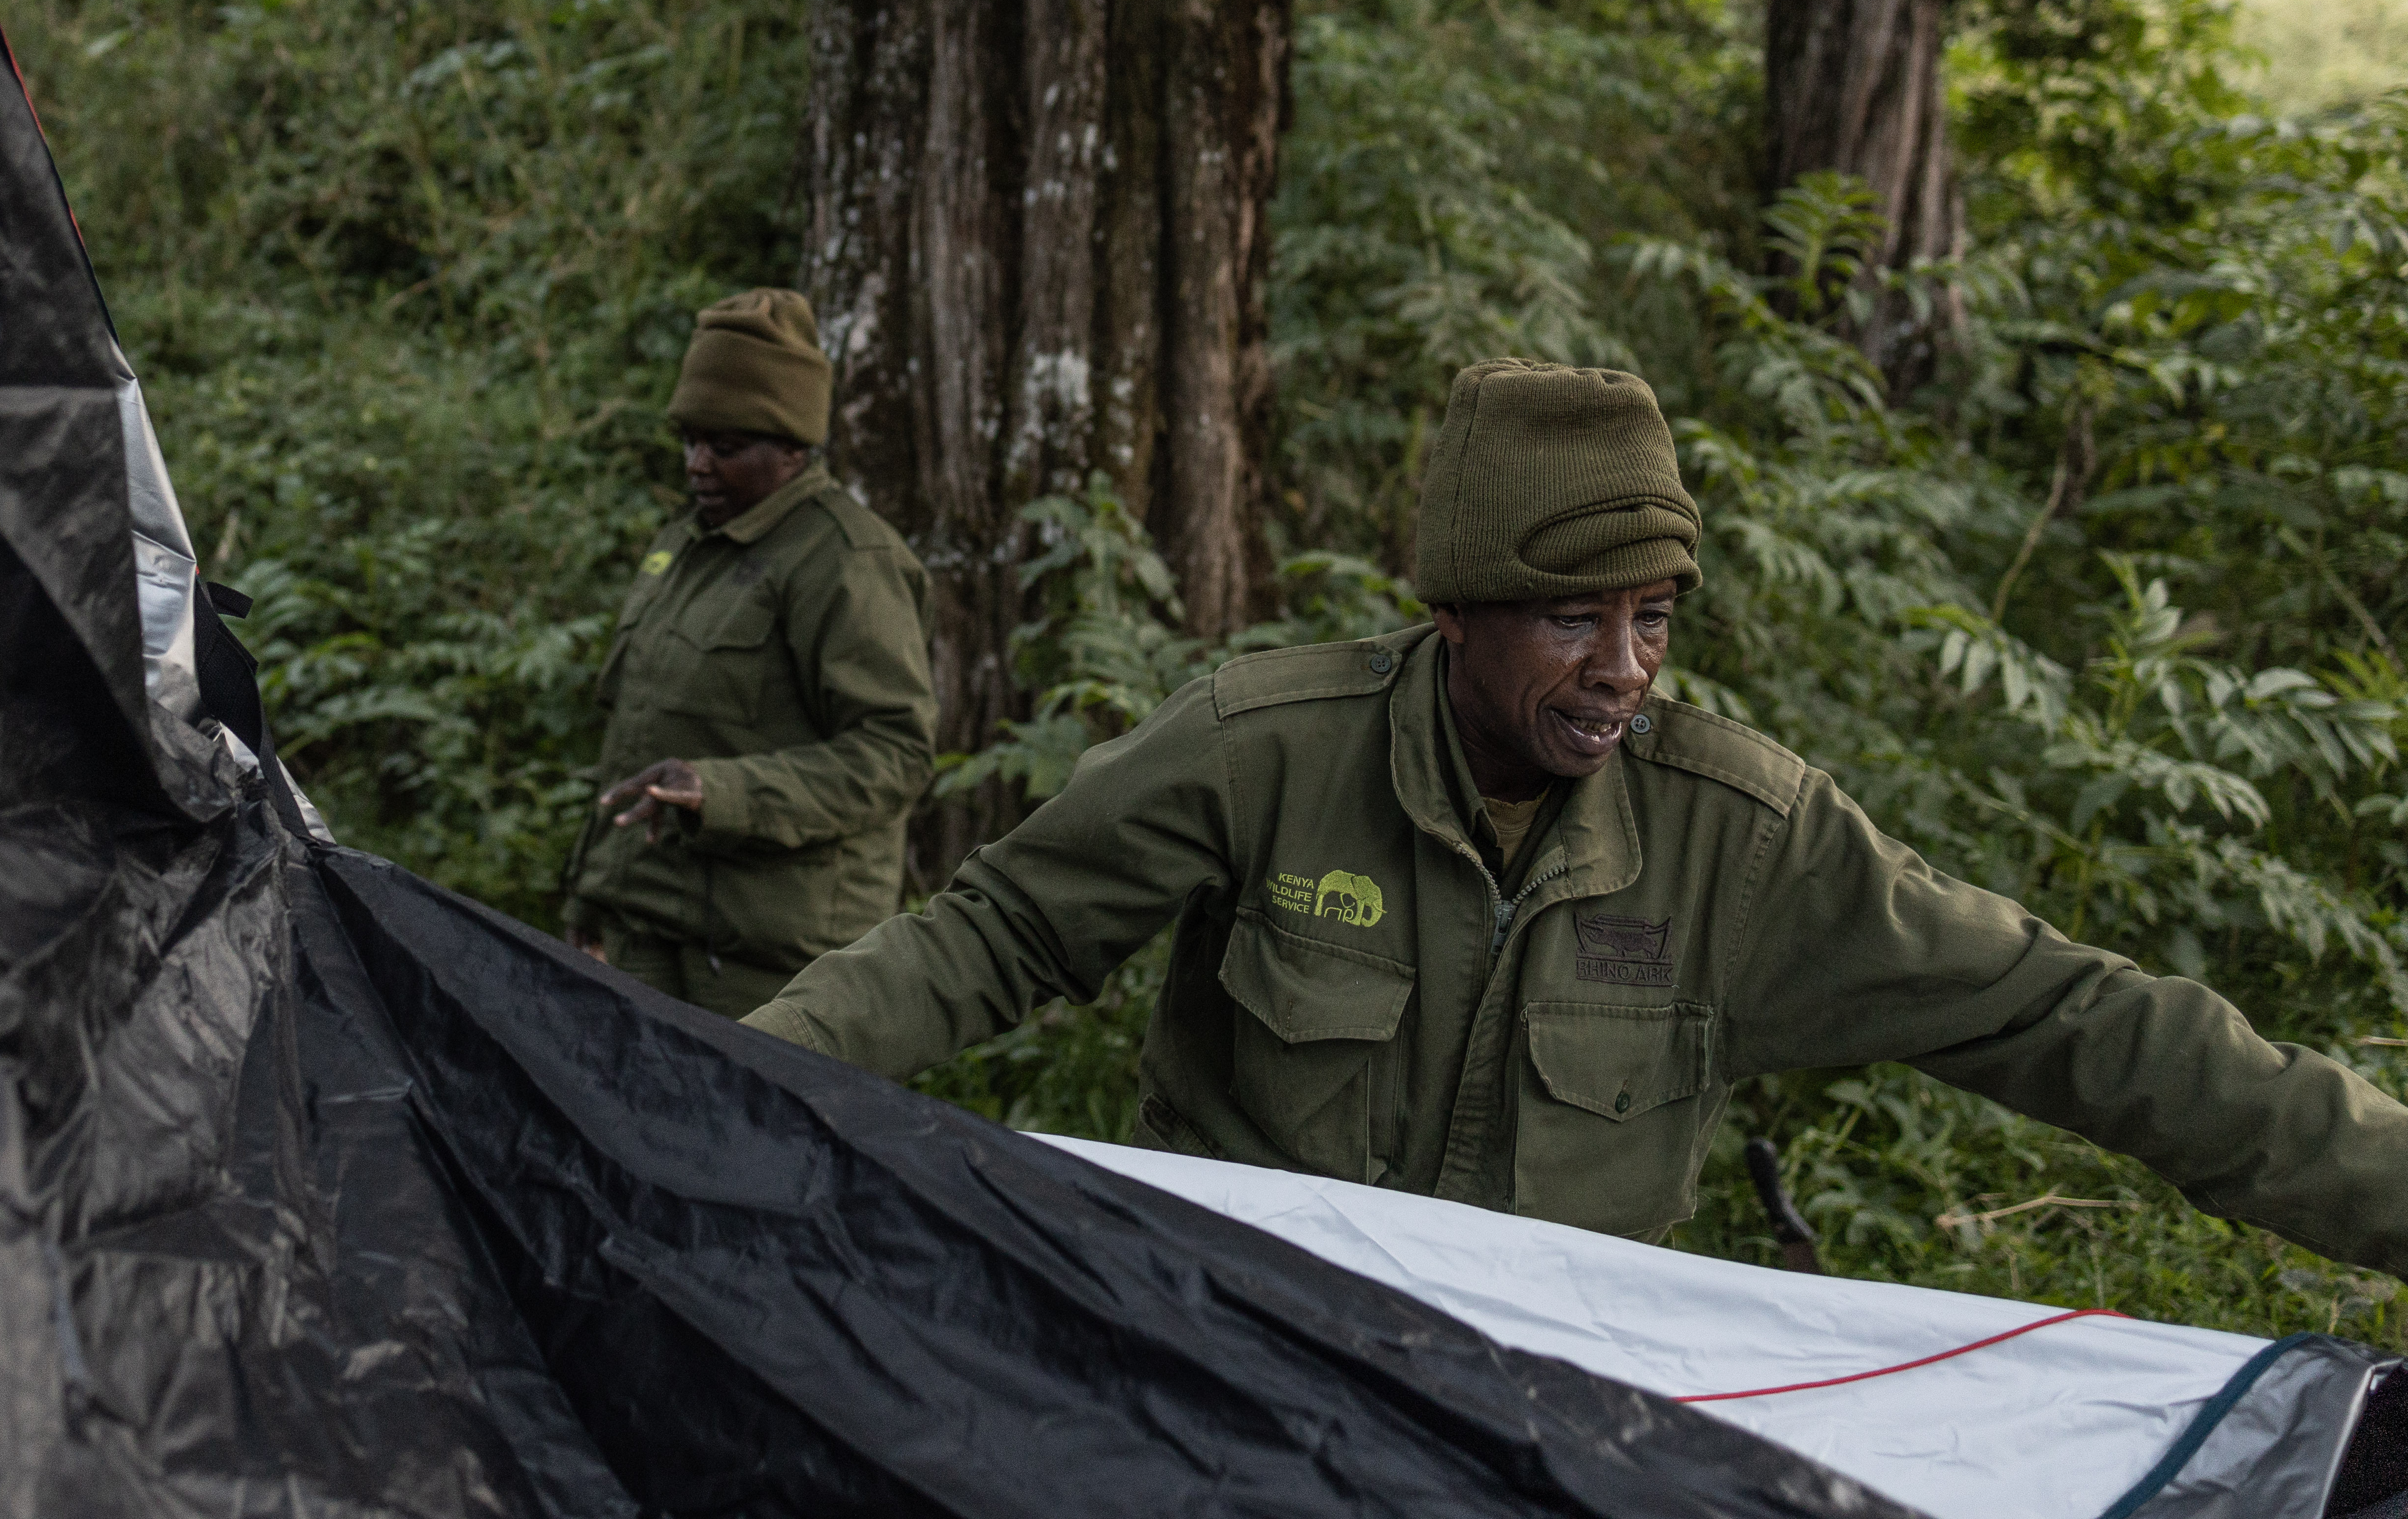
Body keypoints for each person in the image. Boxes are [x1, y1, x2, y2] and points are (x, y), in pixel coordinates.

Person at [742, 360, 2408, 1271]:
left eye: (1656, 619)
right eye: (1572, 621)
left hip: (1556, 1420)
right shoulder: (1263, 751)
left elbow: (2075, 1019)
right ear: (1455, 614)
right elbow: (992, 937)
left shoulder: (1738, 835)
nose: (1623, 671)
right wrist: (715, 1086)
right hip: (1235, 1369)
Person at [560, 289, 938, 1019]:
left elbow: (896, 754)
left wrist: (723, 792)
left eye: (726, 449)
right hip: (650, 934)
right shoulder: (686, 544)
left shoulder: (846, 562)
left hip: (772, 964)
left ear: (792, 449)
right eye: (691, 441)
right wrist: (592, 893)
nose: (699, 465)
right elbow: (636, 734)